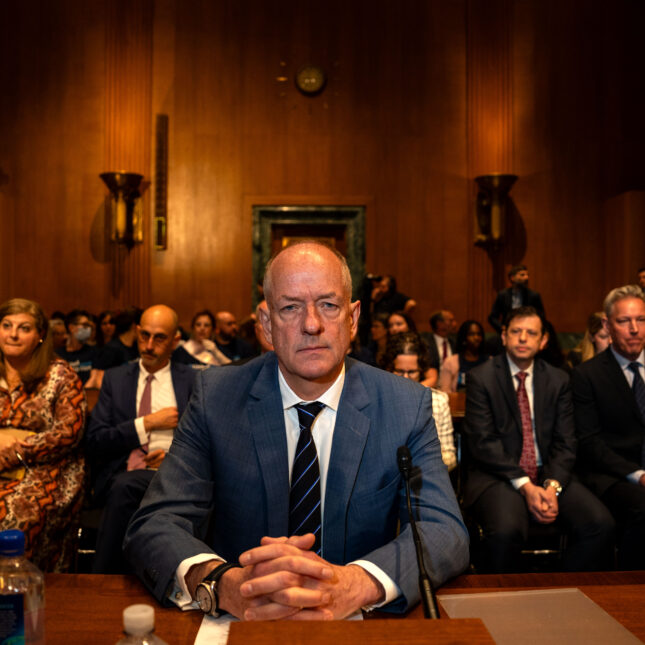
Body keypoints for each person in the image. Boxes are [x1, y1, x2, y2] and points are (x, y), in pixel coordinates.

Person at [125, 241, 468, 620]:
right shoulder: (216, 398)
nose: (311, 324)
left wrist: (356, 583)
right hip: (242, 621)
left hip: (358, 622)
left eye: (328, 305)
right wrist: (222, 585)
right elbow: (154, 523)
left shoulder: (406, 406)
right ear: (267, 324)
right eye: (290, 307)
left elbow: (443, 531)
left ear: (352, 319)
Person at [463, 306, 614, 573]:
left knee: (599, 523)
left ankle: (563, 593)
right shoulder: (481, 378)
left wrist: (552, 486)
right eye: (516, 332)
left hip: (550, 474)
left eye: (531, 333)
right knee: (507, 530)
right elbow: (483, 442)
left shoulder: (558, 379)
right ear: (503, 336)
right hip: (498, 476)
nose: (523, 338)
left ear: (543, 340)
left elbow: (566, 441)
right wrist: (526, 486)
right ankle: (502, 605)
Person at [86, 305, 196, 574]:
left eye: (158, 338)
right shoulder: (115, 379)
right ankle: (106, 581)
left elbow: (206, 441)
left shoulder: (193, 380)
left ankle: (102, 577)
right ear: (136, 333)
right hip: (122, 472)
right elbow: (96, 440)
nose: (148, 345)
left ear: (175, 340)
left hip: (175, 476)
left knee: (126, 488)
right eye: (143, 335)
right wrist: (146, 424)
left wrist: (172, 458)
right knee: (124, 486)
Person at [0, 298, 86, 571]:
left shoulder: (60, 374)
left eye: (23, 328)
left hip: (45, 468)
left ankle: (19, 600)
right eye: (6, 325)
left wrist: (12, 451)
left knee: (13, 520)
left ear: (40, 336)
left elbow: (68, 432)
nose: (13, 334)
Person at [572, 285, 645, 569]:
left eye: (641, 320)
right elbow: (590, 443)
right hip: (612, 475)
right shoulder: (586, 376)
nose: (635, 329)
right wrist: (638, 475)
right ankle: (631, 591)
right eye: (624, 321)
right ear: (607, 324)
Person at [382, 332, 457, 471]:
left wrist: (421, 462)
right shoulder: (379, 400)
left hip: (426, 476)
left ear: (421, 370)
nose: (405, 378)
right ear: (389, 369)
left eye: (411, 372)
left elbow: (450, 457)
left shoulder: (438, 401)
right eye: (399, 371)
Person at [487, 264, 546, 335]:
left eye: (527, 275)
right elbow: (492, 317)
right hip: (507, 332)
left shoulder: (533, 296)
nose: (526, 277)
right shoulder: (503, 295)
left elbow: (541, 316)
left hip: (527, 332)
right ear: (512, 277)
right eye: (522, 275)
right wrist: (502, 328)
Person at [439, 320, 489, 393]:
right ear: (464, 338)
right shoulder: (450, 362)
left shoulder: (490, 361)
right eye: (471, 334)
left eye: (479, 334)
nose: (476, 338)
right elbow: (445, 391)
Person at [55, 309, 97, 386]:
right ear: (71, 328)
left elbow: (94, 378)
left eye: (89, 326)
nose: (88, 329)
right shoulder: (58, 355)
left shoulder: (94, 352)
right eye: (85, 325)